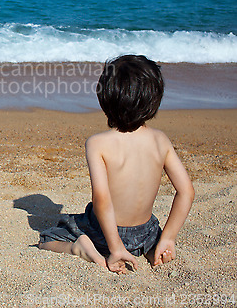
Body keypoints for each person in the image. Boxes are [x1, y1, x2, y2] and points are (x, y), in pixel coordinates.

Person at [38, 55, 195, 274]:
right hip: (146, 232)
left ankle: (81, 249)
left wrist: (116, 247)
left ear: (104, 99)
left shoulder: (97, 144)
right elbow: (186, 191)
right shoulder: (161, 140)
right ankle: (152, 249)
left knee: (48, 237)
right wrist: (168, 237)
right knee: (153, 240)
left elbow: (101, 200)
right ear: (155, 99)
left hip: (104, 233)